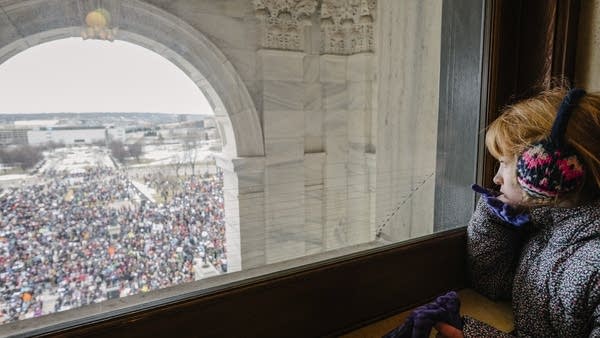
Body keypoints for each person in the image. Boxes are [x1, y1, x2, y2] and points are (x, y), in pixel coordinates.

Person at [384, 87, 600, 337]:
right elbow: (493, 282)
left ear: (545, 169)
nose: (496, 178)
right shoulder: (548, 225)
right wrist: (497, 219)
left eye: (505, 163)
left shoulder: (592, 259)